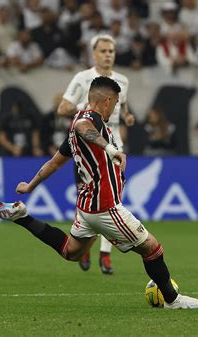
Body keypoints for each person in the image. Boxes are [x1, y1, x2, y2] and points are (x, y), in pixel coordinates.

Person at [0, 76, 198, 309]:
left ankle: (22, 217)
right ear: (108, 100)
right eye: (116, 102)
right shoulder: (90, 120)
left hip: (86, 205)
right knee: (151, 248)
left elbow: (54, 163)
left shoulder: (76, 131)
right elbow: (84, 128)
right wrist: (111, 149)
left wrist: (30, 186)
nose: (116, 108)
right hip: (105, 207)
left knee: (72, 252)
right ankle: (172, 299)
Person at [57, 34, 135, 275]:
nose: (108, 54)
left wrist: (127, 117)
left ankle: (105, 254)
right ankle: (84, 244)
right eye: (103, 51)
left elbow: (122, 106)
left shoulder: (122, 80)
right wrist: (87, 106)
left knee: (114, 201)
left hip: (113, 145)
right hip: (89, 148)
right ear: (94, 54)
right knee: (87, 197)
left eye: (111, 50)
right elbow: (62, 108)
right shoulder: (83, 78)